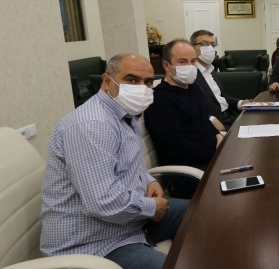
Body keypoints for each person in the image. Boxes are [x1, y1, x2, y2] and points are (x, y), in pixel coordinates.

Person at [40, 53, 190, 269]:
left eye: (148, 82)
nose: (142, 88)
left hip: (129, 223)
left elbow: (128, 163)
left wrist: (149, 180)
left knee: (202, 213)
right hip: (93, 244)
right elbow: (102, 202)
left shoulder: (126, 114)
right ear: (106, 81)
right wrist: (151, 207)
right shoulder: (92, 125)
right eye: (132, 80)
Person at [144, 39, 224, 198]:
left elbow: (203, 120)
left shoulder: (194, 88)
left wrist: (218, 135)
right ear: (166, 65)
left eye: (193, 61)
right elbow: (176, 147)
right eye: (182, 62)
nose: (190, 66)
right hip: (188, 173)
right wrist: (215, 157)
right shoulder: (160, 100)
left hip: (210, 159)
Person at [190, 30, 250, 131]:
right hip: (214, 124)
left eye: (213, 44)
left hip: (229, 117)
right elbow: (190, 106)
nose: (210, 48)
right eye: (204, 44)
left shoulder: (211, 70)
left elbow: (220, 97)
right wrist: (210, 118)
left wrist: (240, 103)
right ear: (193, 48)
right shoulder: (190, 74)